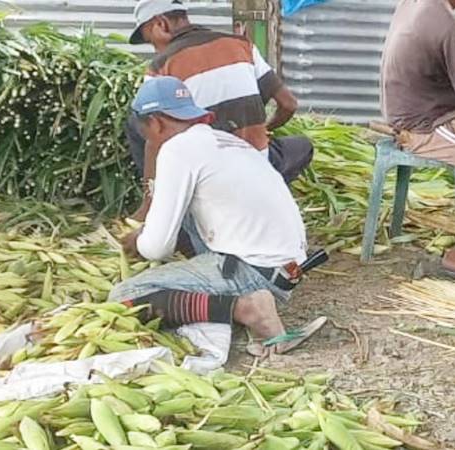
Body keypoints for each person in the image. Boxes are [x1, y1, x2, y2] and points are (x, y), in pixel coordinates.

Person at [110, 76, 325, 356]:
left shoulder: (177, 149)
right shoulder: (226, 141)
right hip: (287, 269)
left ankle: (245, 308)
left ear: (156, 122)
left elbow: (156, 249)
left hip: (255, 273)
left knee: (124, 297)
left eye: (144, 132)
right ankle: (237, 293)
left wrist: (139, 240)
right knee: (189, 210)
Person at [126, 0, 313, 220]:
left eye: (151, 41)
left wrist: (150, 202)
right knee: (303, 146)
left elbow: (155, 138)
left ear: (161, 24)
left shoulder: (160, 68)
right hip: (257, 164)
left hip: (208, 176)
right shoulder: (242, 45)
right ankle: (268, 190)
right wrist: (265, 128)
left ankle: (178, 212)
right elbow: (289, 104)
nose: (155, 49)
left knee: (136, 124)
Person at [381, 0, 455, 272]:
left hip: (416, 114)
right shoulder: (448, 25)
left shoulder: (418, 3)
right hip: (424, 127)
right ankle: (453, 260)